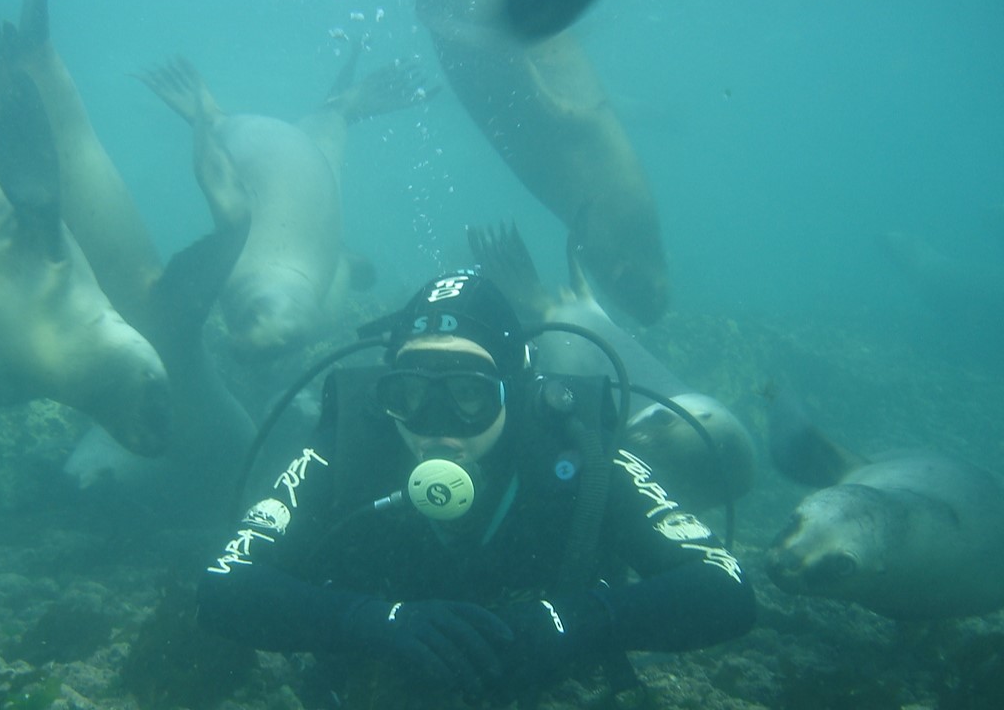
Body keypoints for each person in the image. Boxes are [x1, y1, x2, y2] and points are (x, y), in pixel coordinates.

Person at [197, 270, 756, 706]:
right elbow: (224, 584)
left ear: (517, 392)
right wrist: (373, 621)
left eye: (470, 393)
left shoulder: (579, 449)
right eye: (411, 393)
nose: (436, 426)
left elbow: (726, 587)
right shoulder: (350, 447)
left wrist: (570, 622)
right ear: (385, 391)